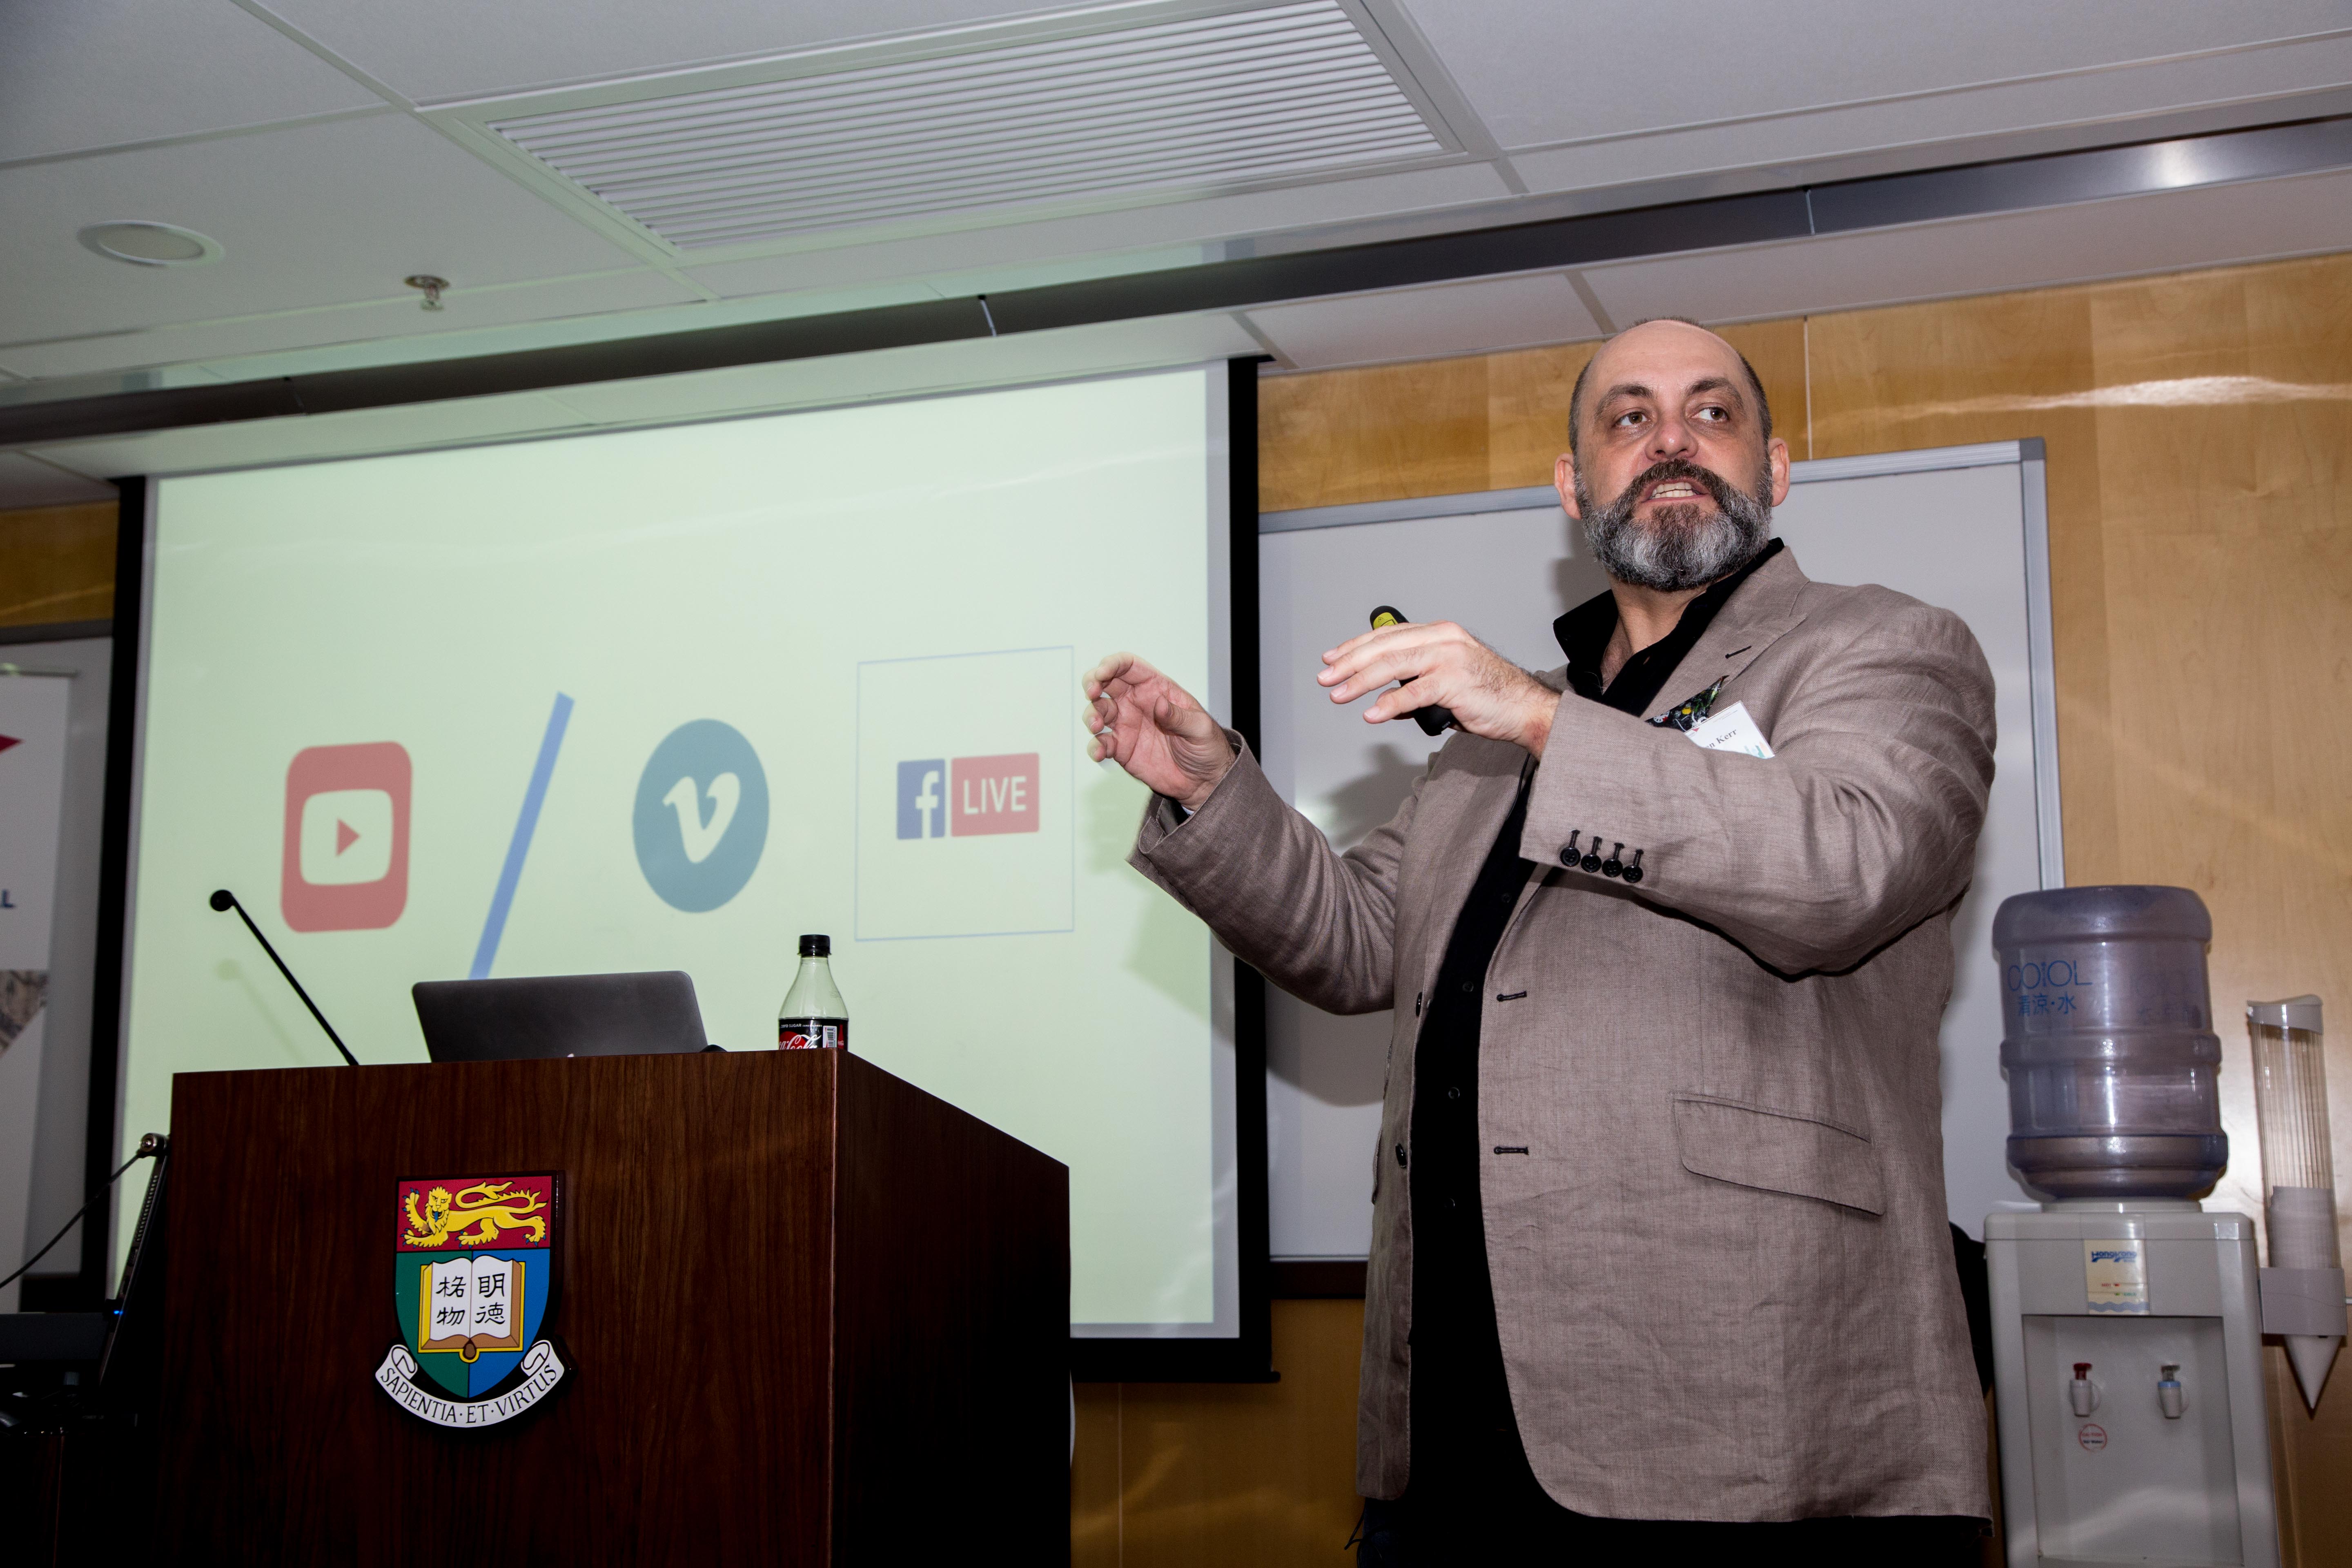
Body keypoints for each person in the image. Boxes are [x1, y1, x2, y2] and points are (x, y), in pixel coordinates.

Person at [1084, 318, 1996, 1561]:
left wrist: (1539, 720)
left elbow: (1848, 863)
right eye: (1628, 418)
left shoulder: (1879, 647)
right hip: (1456, 1422)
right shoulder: (1491, 741)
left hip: (1755, 1421)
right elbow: (1357, 942)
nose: (1670, 440)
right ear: (1574, 486)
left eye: (1711, 413)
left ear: (1776, 468)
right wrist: (1212, 793)